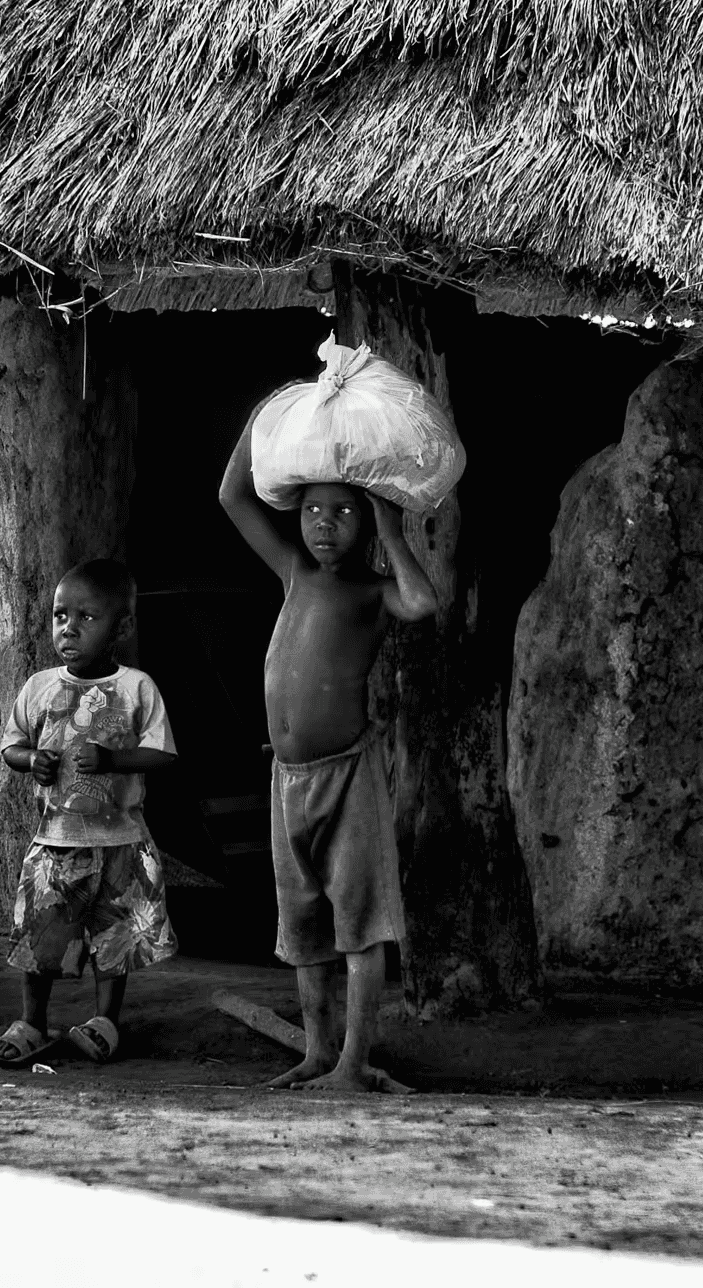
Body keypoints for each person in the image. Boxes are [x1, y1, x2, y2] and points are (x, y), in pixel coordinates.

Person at [218, 417, 439, 1093]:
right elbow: (233, 496)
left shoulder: (372, 592)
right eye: (313, 510)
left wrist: (392, 528)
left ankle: (352, 1063)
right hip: (289, 779)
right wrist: (263, 418)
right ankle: (317, 1052)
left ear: (365, 523)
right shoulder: (292, 573)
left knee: (360, 921)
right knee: (304, 922)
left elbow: (424, 601)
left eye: (343, 512)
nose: (324, 524)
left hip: (348, 777)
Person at [0, 559, 178, 1066]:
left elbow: (162, 753)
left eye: (86, 618)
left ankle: (104, 1022)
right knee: (40, 933)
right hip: (56, 841)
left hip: (121, 841)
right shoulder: (39, 687)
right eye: (59, 615)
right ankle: (32, 1021)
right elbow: (11, 744)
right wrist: (33, 762)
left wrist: (114, 760)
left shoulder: (137, 688)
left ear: (123, 627)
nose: (68, 628)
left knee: (114, 938)